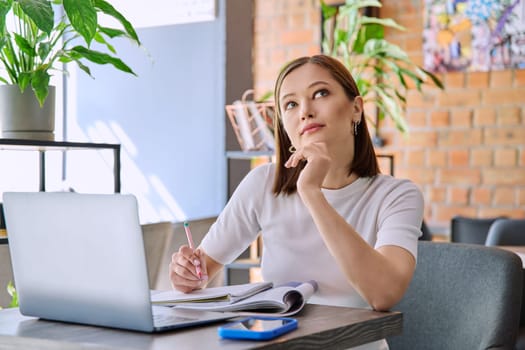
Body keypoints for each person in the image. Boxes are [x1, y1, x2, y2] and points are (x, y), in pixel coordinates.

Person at [169, 54, 423, 349]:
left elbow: (383, 293)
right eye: (291, 104)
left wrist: (312, 193)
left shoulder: (397, 195)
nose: (305, 111)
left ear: (356, 109)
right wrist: (187, 275)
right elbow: (202, 272)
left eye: (321, 93)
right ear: (285, 127)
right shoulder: (262, 184)